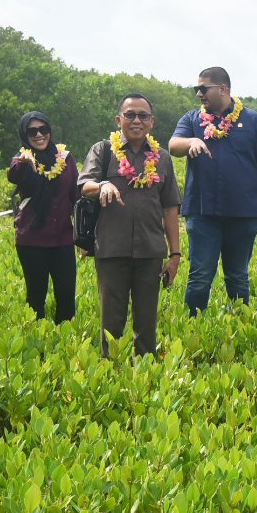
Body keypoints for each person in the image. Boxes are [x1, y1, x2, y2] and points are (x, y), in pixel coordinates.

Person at [169, 67, 257, 316]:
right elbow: (174, 145)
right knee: (200, 275)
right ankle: (193, 324)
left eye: (203, 88)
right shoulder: (191, 119)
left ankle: (238, 324)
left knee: (238, 276)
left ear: (223, 89)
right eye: (197, 89)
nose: (199, 94)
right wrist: (191, 141)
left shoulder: (253, 121)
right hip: (202, 211)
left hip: (243, 212)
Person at [79, 94, 182, 357]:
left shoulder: (162, 158)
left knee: (147, 323)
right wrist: (103, 184)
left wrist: (175, 254)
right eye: (130, 115)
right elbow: (84, 185)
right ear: (118, 120)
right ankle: (109, 372)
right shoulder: (103, 151)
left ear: (152, 121)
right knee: (111, 323)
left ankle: (144, 377)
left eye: (143, 116)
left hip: (150, 250)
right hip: (112, 249)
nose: (136, 120)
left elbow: (170, 208)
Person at [5, 110, 80, 323]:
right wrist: (25, 162)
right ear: (24, 135)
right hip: (32, 240)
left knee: (66, 297)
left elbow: (76, 196)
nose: (39, 135)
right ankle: (37, 347)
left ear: (50, 131)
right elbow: (13, 175)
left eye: (43, 129)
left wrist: (86, 236)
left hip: (62, 239)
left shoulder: (65, 159)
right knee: (36, 297)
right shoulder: (21, 160)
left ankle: (64, 346)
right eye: (32, 131)